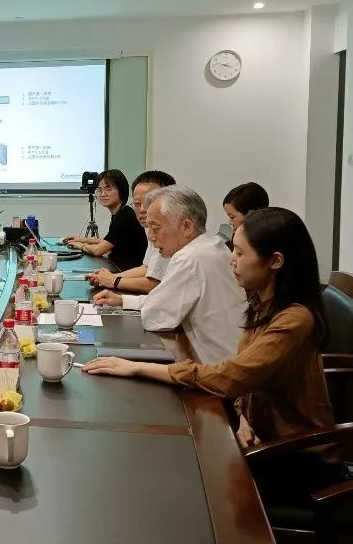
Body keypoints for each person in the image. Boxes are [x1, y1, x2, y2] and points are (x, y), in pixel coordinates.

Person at [83, 208, 336, 499]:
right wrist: (243, 417)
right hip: (263, 434)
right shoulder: (262, 303)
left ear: (275, 261)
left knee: (178, 478)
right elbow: (250, 373)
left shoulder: (294, 319)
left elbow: (234, 375)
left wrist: (138, 367)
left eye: (240, 253)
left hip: (298, 455)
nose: (232, 260)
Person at [111, 185, 247, 363]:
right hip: (232, 359)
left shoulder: (188, 258)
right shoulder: (213, 245)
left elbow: (154, 317)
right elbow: (166, 301)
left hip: (215, 370)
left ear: (186, 226)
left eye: (155, 227)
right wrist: (124, 300)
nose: (151, 236)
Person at [90, 170, 176, 305]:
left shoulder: (171, 235)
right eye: (137, 203)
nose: (142, 209)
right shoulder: (152, 230)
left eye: (149, 202)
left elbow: (154, 284)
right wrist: (111, 277)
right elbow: (147, 268)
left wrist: (113, 280)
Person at [63, 169, 146, 271]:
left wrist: (81, 245)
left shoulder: (126, 216)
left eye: (108, 189)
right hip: (119, 268)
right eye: (99, 190)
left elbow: (98, 250)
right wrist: (81, 239)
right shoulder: (120, 213)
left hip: (125, 273)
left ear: (121, 190)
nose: (102, 194)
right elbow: (110, 240)